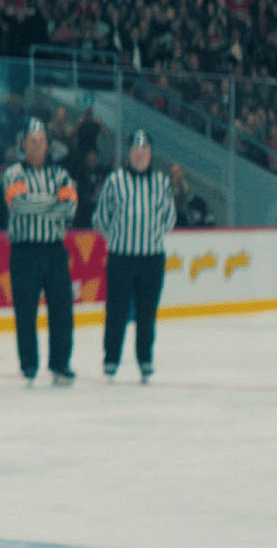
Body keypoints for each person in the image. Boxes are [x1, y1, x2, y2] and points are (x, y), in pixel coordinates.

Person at [92, 130, 176, 384]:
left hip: (151, 258)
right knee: (116, 311)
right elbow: (101, 218)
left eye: (144, 150)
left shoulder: (161, 182)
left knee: (147, 313)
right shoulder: (115, 180)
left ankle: (145, 359)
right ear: (129, 153)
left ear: (150, 153)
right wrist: (118, 239)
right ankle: (111, 359)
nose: (140, 154)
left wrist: (150, 236)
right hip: (121, 258)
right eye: (135, 149)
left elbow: (169, 219)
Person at [2, 117, 78, 386]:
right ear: (24, 144)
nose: (36, 146)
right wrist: (52, 202)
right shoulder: (14, 173)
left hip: (55, 251)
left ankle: (60, 364)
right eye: (31, 142)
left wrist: (38, 203)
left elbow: (69, 207)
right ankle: (29, 364)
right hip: (24, 252)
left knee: (62, 309)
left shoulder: (62, 174)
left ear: (48, 144)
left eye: (41, 141)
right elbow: (18, 205)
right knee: (25, 310)